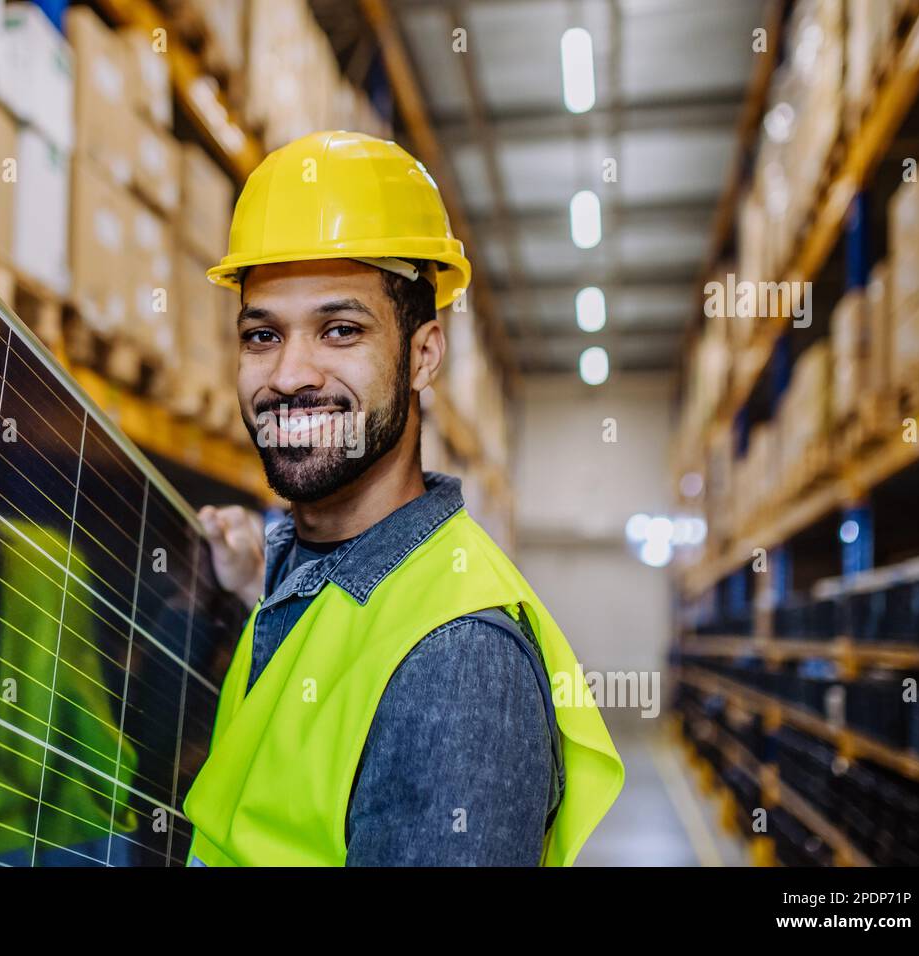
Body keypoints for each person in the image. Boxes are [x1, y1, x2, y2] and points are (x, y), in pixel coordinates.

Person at [182, 130, 625, 866]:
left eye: (340, 329)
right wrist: (256, 586)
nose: (290, 374)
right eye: (262, 336)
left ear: (423, 355)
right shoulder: (299, 572)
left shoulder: (456, 664)